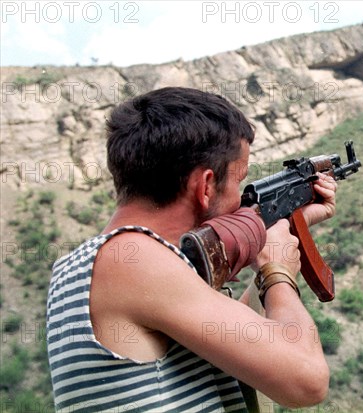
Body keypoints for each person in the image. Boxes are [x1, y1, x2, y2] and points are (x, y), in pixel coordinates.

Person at [46, 87, 337, 412]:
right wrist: (277, 271)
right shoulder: (135, 261)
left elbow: (237, 340)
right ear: (206, 186)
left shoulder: (85, 265)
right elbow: (307, 381)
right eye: (238, 182)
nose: (240, 200)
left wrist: (288, 227)